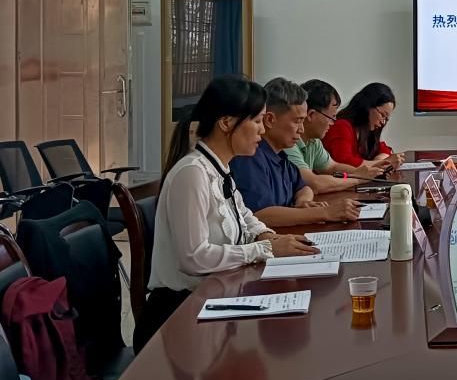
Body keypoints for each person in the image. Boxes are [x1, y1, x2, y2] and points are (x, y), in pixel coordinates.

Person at [134, 76, 319, 352]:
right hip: (179, 315)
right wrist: (263, 249)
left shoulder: (220, 169)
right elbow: (194, 258)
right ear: (226, 123)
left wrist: (268, 237)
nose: (262, 130)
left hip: (214, 298)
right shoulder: (192, 174)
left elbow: (246, 217)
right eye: (257, 121)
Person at [231, 77, 361, 227]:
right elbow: (261, 215)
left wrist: (303, 201)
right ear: (270, 120)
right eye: (297, 121)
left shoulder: (280, 155)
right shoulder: (250, 156)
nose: (302, 129)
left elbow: (304, 187)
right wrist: (325, 213)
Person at [285, 79, 385, 193]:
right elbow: (314, 183)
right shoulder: (288, 143)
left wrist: (359, 173)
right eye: (331, 117)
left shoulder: (313, 141)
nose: (333, 123)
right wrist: (358, 179)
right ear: (311, 114)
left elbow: (332, 167)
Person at [323, 82, 404, 171]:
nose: (383, 122)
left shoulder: (367, 130)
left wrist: (381, 160)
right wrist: (381, 163)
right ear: (368, 106)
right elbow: (344, 162)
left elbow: (384, 149)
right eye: (382, 115)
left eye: (386, 119)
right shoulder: (341, 126)